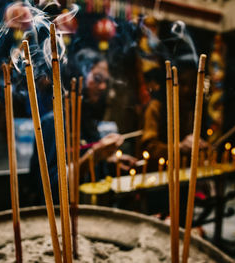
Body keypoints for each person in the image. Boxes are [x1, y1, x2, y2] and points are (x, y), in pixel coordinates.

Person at [29, 48, 137, 205]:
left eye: (105, 82)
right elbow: (52, 186)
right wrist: (94, 156)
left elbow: (89, 170)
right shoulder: (53, 124)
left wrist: (109, 162)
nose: (102, 87)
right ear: (79, 76)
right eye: (97, 79)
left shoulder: (87, 121)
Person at [140, 61, 209, 171]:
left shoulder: (193, 108)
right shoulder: (156, 107)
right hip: (159, 173)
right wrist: (180, 147)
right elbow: (149, 148)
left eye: (192, 84)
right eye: (182, 83)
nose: (187, 90)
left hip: (186, 171)